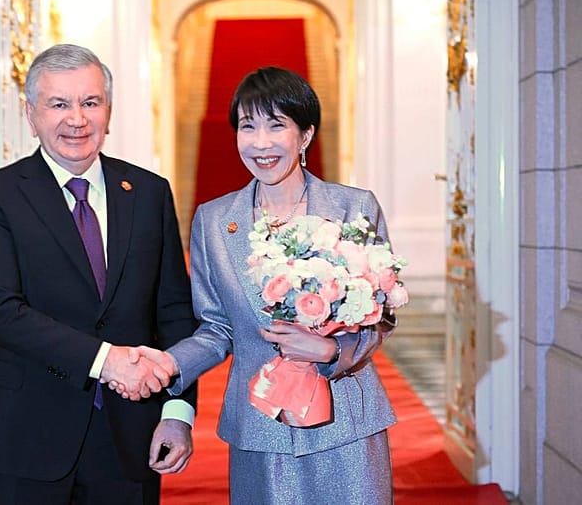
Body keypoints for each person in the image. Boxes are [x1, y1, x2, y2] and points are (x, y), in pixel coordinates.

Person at [113, 66, 397, 504]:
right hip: (259, 422)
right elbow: (215, 327)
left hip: (346, 420)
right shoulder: (213, 220)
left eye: (276, 125)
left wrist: (332, 351)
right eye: (248, 126)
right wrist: (166, 364)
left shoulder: (353, 208)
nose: (260, 143)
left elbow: (380, 311)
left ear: (305, 136)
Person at [0, 43, 197, 505]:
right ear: (31, 114)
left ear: (108, 110)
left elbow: (173, 311)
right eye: (59, 104)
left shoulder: (148, 192)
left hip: (132, 431)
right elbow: (0, 312)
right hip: (28, 429)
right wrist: (105, 360)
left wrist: (177, 410)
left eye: (90, 102)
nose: (77, 119)